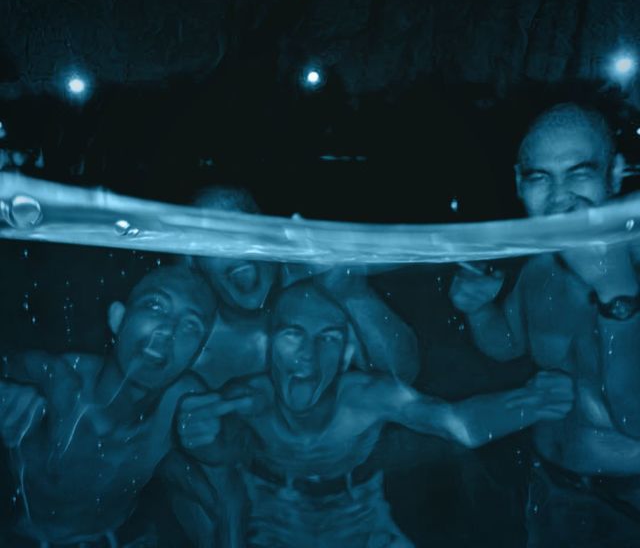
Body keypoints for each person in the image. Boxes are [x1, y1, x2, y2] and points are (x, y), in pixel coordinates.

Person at [176, 279, 574, 548]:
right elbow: (220, 450)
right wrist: (198, 436)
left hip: (363, 516)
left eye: (328, 338)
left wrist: (533, 401)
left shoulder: (367, 395)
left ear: (346, 354)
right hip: (275, 518)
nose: (308, 355)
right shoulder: (249, 398)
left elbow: (460, 425)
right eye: (292, 335)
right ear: (268, 348)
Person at [162, 185, 421, 547]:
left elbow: (401, 375)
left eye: (244, 228)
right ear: (193, 261)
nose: (233, 245)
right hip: (260, 506)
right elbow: (185, 466)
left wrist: (350, 289)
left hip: (359, 500)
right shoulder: (192, 340)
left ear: (269, 234)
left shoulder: (320, 281)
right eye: (211, 238)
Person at [449, 102, 640, 546]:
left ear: (614, 174)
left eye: (579, 174)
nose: (559, 197)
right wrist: (479, 309)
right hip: (553, 485)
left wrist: (617, 292)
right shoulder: (540, 268)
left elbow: (634, 418)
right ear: (519, 182)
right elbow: (507, 345)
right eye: (540, 178)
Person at [0, 265, 216, 546]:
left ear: (197, 355)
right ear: (118, 318)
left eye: (191, 326)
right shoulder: (58, 381)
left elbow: (227, 483)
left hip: (118, 537)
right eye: (155, 306)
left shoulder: (185, 403)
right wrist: (7, 393)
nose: (167, 331)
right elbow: (9, 364)